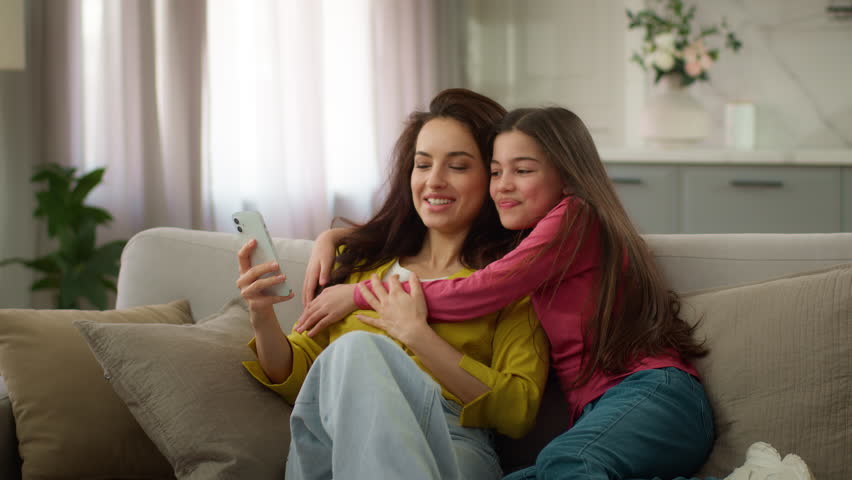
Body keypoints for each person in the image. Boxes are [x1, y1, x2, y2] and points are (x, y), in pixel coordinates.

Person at [295, 107, 815, 480]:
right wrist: (340, 237)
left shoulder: (573, 219)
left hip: (652, 394)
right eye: (496, 171)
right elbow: (420, 235)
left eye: (522, 171)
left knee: (567, 465)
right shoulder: (530, 242)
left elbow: (480, 290)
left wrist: (361, 296)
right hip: (606, 415)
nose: (503, 185)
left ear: (567, 178)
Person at [236, 89, 549, 480]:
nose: (434, 181)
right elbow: (300, 381)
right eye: (422, 165)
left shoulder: (510, 283)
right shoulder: (362, 268)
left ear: (492, 176)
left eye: (458, 166)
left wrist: (417, 335)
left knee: (358, 346)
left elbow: (518, 411)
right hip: (339, 444)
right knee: (352, 351)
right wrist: (262, 315)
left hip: (450, 442)